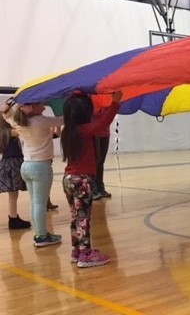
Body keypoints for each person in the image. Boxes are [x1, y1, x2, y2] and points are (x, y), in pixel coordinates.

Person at [60, 92, 121, 268]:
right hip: (82, 181)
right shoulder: (84, 130)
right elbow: (103, 123)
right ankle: (85, 254)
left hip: (68, 179)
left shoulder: (68, 131)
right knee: (84, 218)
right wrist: (115, 103)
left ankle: (76, 250)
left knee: (76, 217)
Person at [5, 101, 64, 246]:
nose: (44, 106)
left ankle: (40, 233)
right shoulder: (40, 121)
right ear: (32, 108)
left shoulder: (18, 122)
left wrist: (10, 102)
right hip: (40, 167)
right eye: (40, 104)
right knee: (40, 203)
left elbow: (5, 113)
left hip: (26, 166)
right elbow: (65, 119)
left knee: (35, 202)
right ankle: (42, 236)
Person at [0, 115, 30, 229]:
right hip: (13, 162)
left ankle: (13, 217)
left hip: (9, 162)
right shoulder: (9, 132)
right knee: (13, 193)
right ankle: (13, 218)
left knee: (13, 193)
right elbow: (20, 130)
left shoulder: (4, 133)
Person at [91, 107, 113, 200]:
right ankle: (93, 189)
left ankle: (100, 187)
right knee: (96, 160)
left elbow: (110, 116)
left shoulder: (107, 103)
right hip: (95, 133)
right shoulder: (93, 102)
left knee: (101, 161)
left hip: (105, 133)